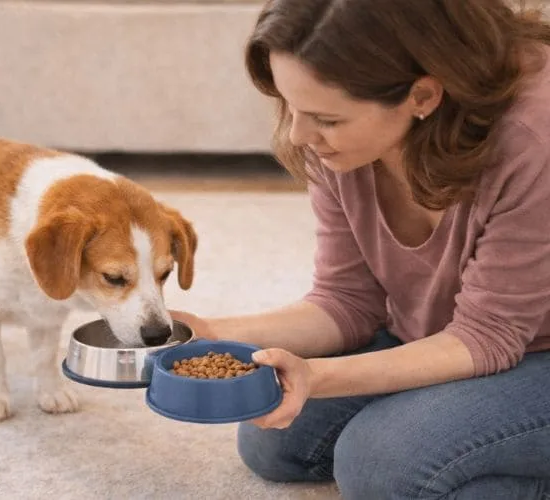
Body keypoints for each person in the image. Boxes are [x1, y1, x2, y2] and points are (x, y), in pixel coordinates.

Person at [171, 0, 550, 498]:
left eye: (326, 119)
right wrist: (214, 334)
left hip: (530, 347)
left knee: (378, 466)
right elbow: (347, 299)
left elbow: (490, 335)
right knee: (274, 442)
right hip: (452, 331)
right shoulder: (340, 143)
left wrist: (316, 376)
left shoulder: (532, 140)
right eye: (290, 106)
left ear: (422, 95)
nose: (298, 135)